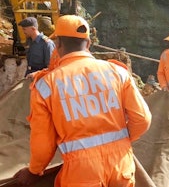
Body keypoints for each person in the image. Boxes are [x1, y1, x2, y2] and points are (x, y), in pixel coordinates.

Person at [14, 15, 152, 186]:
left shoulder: (46, 86)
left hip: (82, 174)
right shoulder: (118, 72)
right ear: (88, 44)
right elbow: (142, 120)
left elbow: (43, 143)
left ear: (58, 45)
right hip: (121, 166)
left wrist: (34, 171)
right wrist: (120, 143)